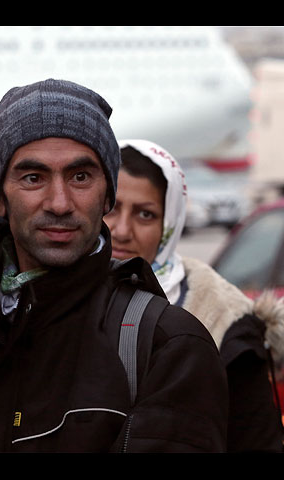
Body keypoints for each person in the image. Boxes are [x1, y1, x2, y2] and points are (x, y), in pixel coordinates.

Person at [0, 79, 229, 453]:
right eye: (33, 178)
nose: (60, 203)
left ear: (108, 196)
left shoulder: (168, 346)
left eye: (80, 177)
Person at [104, 138, 284, 452]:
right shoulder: (48, 296)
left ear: (170, 223)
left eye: (145, 214)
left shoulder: (224, 320)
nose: (122, 230)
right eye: (111, 208)